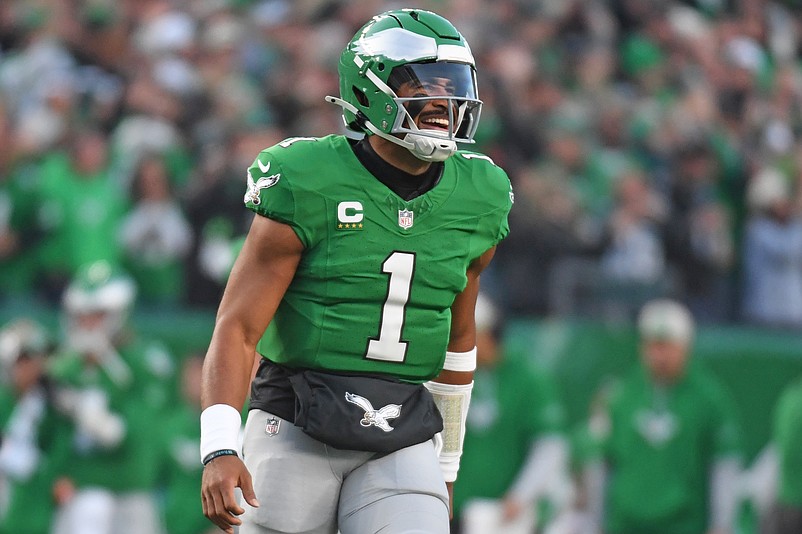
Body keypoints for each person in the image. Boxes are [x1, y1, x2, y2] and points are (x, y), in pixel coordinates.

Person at [199, 8, 513, 534]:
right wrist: (220, 446)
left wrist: (448, 467)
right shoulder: (308, 179)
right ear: (369, 90)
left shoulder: (479, 195)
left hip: (404, 429)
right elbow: (238, 325)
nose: (443, 103)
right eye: (422, 85)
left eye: (452, 86)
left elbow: (459, 342)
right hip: (296, 420)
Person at [582, 299, 744, 534]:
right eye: (652, 346)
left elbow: (724, 464)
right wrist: (596, 521)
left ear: (685, 347)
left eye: (667, 347)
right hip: (625, 525)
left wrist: (722, 523)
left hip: (683, 526)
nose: (659, 356)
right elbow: (601, 461)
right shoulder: (621, 393)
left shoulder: (709, 398)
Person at [47, 260, 175, 534]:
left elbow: (131, 434)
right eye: (82, 314)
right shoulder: (66, 366)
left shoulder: (144, 360)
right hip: (80, 492)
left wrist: (88, 415)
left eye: (96, 314)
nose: (86, 322)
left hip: (131, 491)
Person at [451, 293, 571, 534]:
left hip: (503, 516)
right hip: (454, 508)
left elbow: (550, 444)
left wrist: (521, 495)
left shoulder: (528, 378)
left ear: (486, 333)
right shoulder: (451, 372)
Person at [0, 318, 63, 534]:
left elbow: (59, 453)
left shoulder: (51, 405)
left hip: (36, 513)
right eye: (25, 360)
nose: (34, 367)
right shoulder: (4, 401)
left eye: (39, 359)